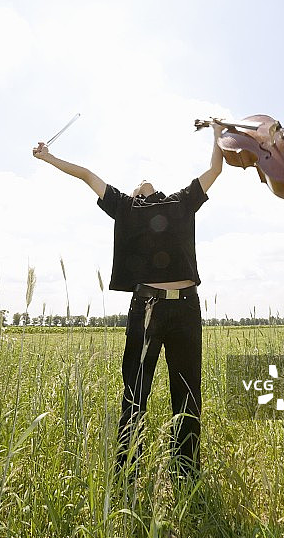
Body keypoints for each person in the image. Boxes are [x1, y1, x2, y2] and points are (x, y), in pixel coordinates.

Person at [33, 123, 224, 479]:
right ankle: (126, 474)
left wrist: (218, 133)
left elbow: (215, 169)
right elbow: (87, 174)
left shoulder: (180, 202)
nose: (144, 180)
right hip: (147, 308)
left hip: (186, 307)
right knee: (136, 393)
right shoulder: (125, 207)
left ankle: (185, 474)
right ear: (136, 196)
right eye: (139, 182)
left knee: (188, 394)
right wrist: (49, 158)